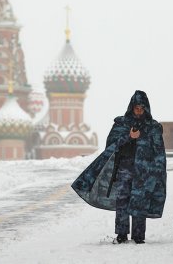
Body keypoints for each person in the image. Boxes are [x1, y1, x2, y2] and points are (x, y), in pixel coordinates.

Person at [71, 90, 167, 244]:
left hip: (144, 172)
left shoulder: (153, 127)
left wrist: (158, 171)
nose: (139, 111)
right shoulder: (121, 124)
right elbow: (111, 146)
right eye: (137, 107)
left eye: (142, 108)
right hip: (125, 169)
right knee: (122, 201)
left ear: (146, 108)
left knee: (139, 202)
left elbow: (159, 152)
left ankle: (138, 236)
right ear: (131, 107)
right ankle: (121, 234)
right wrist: (129, 136)